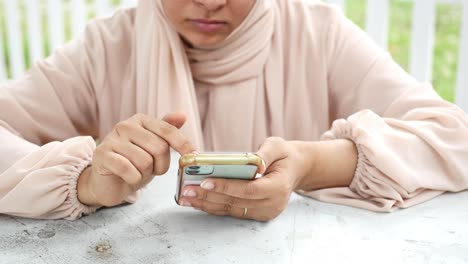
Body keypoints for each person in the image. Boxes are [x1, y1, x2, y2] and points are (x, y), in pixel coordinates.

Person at [0, 0, 467, 221]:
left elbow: (454, 137)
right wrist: (84, 180)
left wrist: (311, 165)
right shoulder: (108, 46)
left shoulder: (317, 33)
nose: (209, 1)